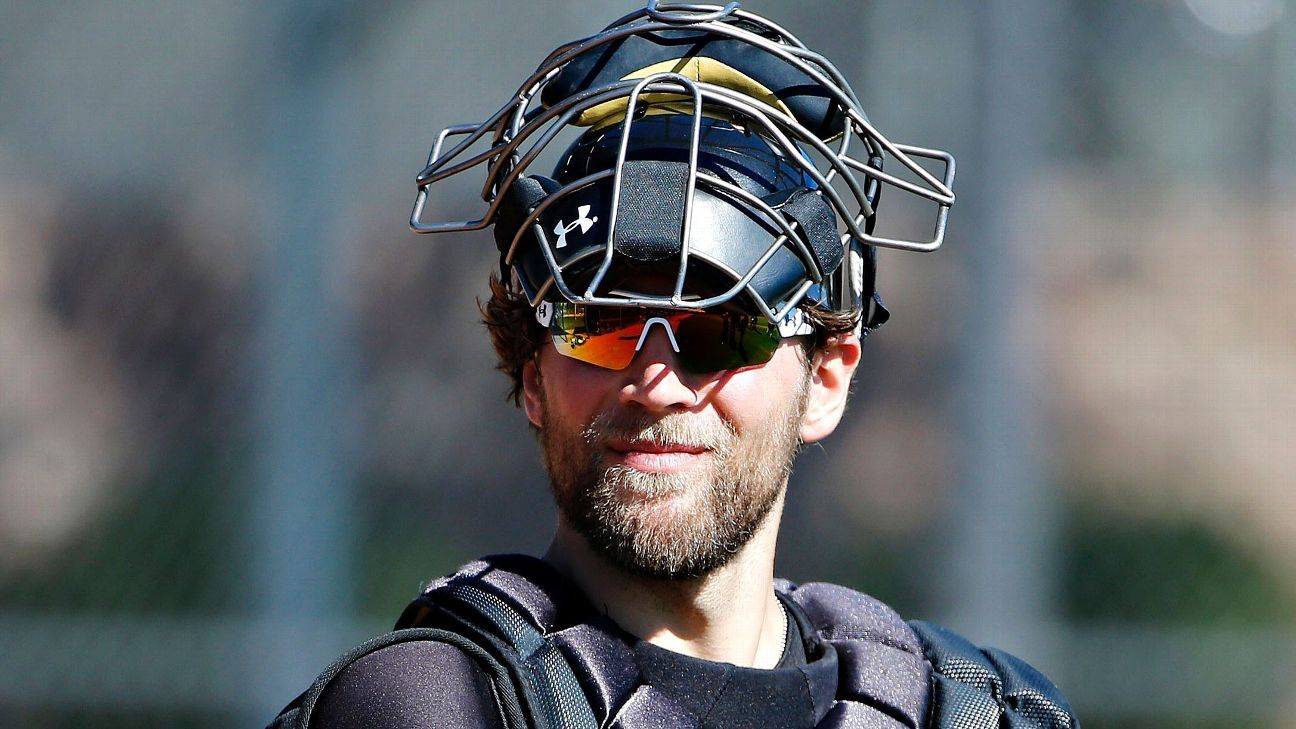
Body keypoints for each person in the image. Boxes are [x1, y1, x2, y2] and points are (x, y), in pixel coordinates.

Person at [270, 2, 1077, 727]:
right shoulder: (438, 707)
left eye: (722, 330)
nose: (656, 384)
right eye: (602, 324)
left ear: (826, 379)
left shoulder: (971, 710)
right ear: (533, 374)